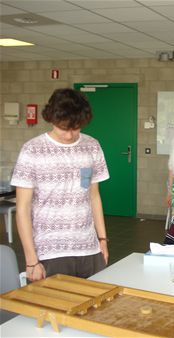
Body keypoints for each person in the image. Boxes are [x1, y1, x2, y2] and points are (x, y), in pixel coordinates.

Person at [11, 88, 110, 282]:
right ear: (51, 119)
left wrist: (102, 240)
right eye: (64, 128)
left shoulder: (92, 146)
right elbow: (23, 208)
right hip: (50, 252)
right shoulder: (32, 150)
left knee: (95, 309)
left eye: (76, 128)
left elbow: (94, 196)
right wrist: (31, 260)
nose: (69, 135)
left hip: (89, 248)